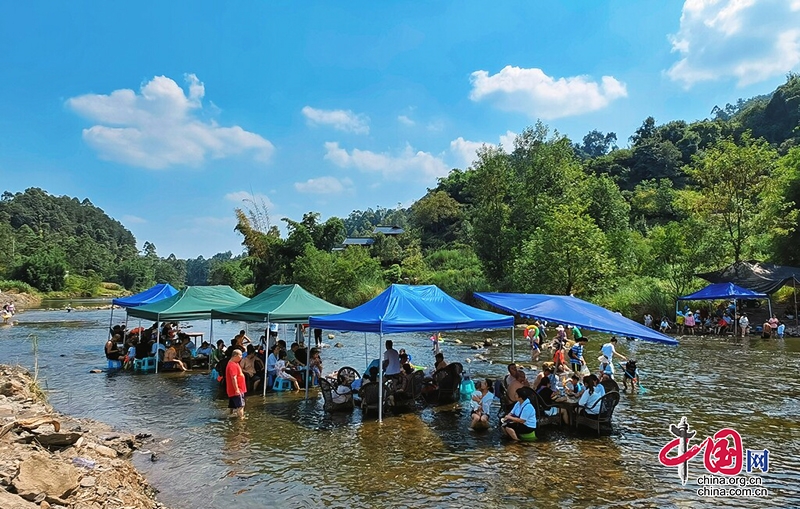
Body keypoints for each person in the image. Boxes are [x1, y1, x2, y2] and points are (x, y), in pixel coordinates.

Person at [226, 349, 247, 418]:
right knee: (240, 406)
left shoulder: (233, 363)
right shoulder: (232, 365)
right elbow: (233, 378)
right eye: (240, 355)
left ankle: (228, 416)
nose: (241, 357)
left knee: (231, 406)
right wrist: (237, 389)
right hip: (237, 390)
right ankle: (241, 419)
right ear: (235, 356)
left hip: (233, 390)